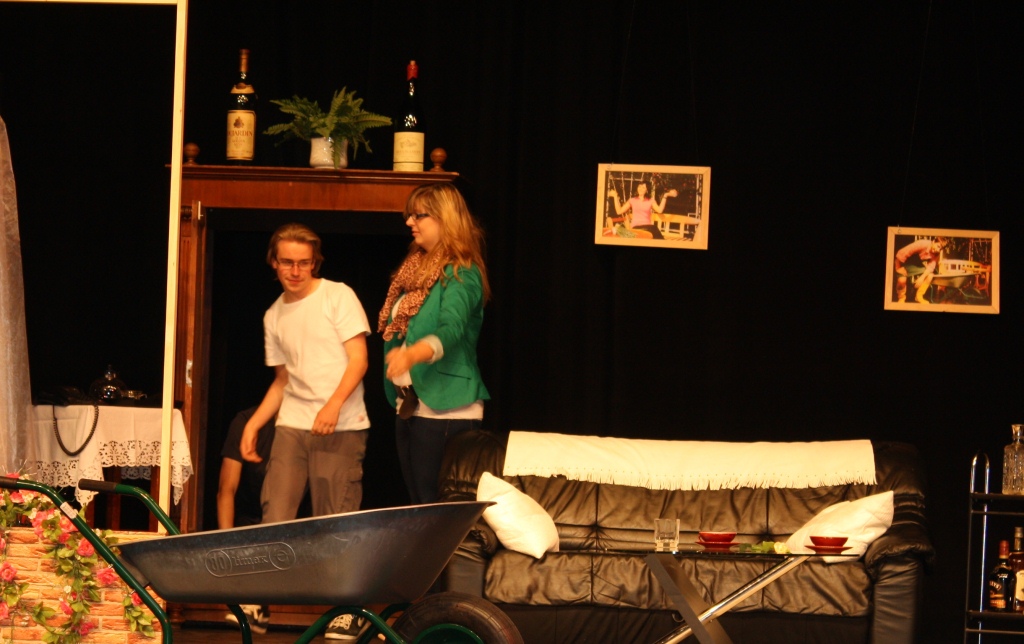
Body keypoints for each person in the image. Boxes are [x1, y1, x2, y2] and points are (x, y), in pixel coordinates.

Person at [240, 222, 371, 641]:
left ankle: (347, 611)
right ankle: (259, 602)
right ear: (274, 263)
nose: (295, 271)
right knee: (275, 512)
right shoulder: (274, 314)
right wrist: (254, 424)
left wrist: (333, 405)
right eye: (287, 262)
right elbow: (283, 380)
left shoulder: (337, 295)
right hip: (293, 423)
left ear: (315, 262)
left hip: (341, 424)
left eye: (303, 262)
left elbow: (359, 359)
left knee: (335, 519)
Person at [378, 183, 491, 505]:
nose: (409, 222)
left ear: (445, 218)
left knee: (435, 506)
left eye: (419, 215)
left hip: (447, 407)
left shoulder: (462, 272)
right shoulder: (413, 269)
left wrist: (412, 354)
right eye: (409, 215)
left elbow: (451, 329)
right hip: (409, 404)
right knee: (419, 504)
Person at [218, 407, 275, 634]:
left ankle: (258, 601)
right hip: (250, 520)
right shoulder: (245, 421)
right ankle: (255, 603)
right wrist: (227, 546)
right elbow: (226, 489)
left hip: (294, 521)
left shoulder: (304, 424)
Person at [607, 182, 678, 239]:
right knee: (654, 228)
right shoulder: (632, 200)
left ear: (647, 190)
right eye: (639, 186)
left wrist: (665, 196)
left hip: (648, 228)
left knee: (653, 230)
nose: (640, 189)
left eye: (643, 187)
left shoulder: (650, 201)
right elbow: (619, 211)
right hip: (636, 227)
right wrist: (615, 196)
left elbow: (660, 210)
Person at [894, 237, 946, 304]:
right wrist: (898, 268)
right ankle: (901, 298)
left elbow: (931, 266)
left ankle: (919, 296)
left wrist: (921, 278)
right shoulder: (922, 244)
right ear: (933, 241)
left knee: (930, 275)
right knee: (902, 280)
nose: (938, 250)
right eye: (938, 246)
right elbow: (901, 253)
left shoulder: (936, 253)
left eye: (940, 249)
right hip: (904, 262)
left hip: (916, 264)